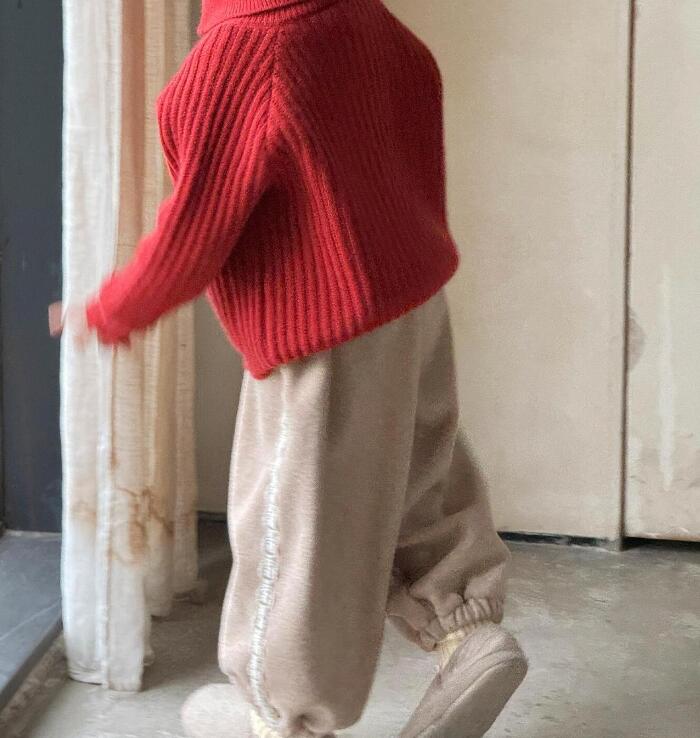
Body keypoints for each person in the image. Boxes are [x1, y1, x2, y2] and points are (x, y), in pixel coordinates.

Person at [54, 0, 527, 735]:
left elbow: (194, 231)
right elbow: (414, 102)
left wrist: (109, 309)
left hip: (320, 334)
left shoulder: (246, 49)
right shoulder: (359, 16)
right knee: (417, 475)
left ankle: (282, 717)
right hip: (410, 300)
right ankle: (465, 630)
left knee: (294, 527)